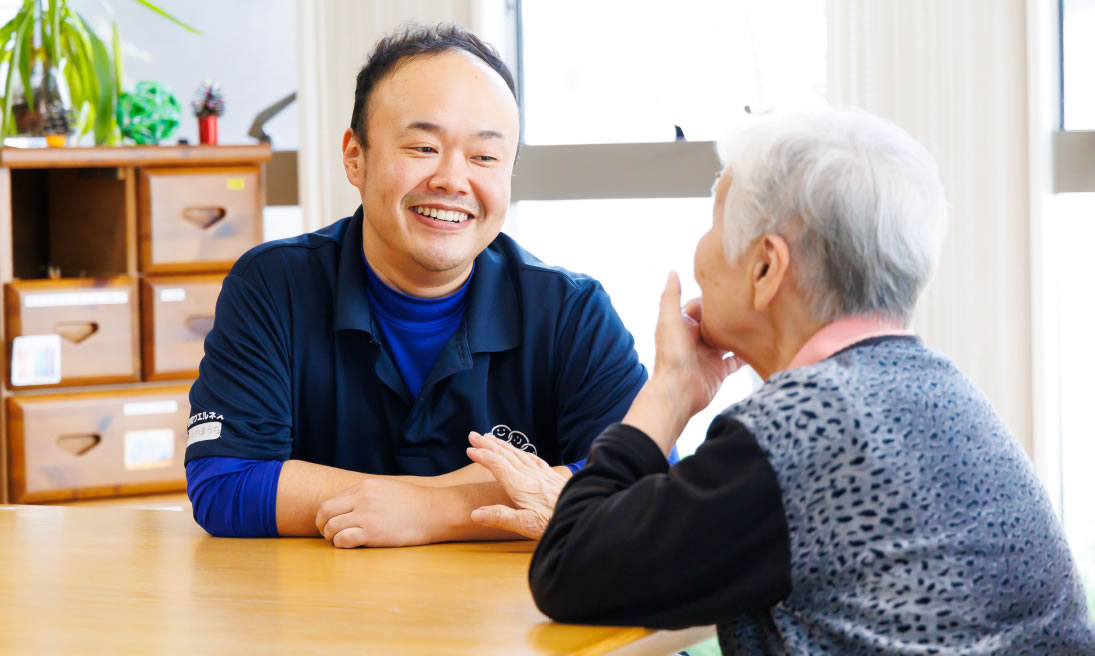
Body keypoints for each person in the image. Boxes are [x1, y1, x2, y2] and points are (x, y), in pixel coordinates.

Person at [469, 109, 1095, 653]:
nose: (700, 252)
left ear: (766, 266)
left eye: (714, 223)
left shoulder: (799, 431)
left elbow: (571, 571)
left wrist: (667, 392)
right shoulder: (940, 392)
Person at [183, 23, 672, 546]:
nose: (452, 180)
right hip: (319, 616)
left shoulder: (570, 311)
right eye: (422, 147)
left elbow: (642, 481)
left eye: (484, 157)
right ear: (355, 156)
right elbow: (225, 484)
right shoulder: (273, 286)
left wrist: (430, 512)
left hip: (508, 621)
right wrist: (517, 491)